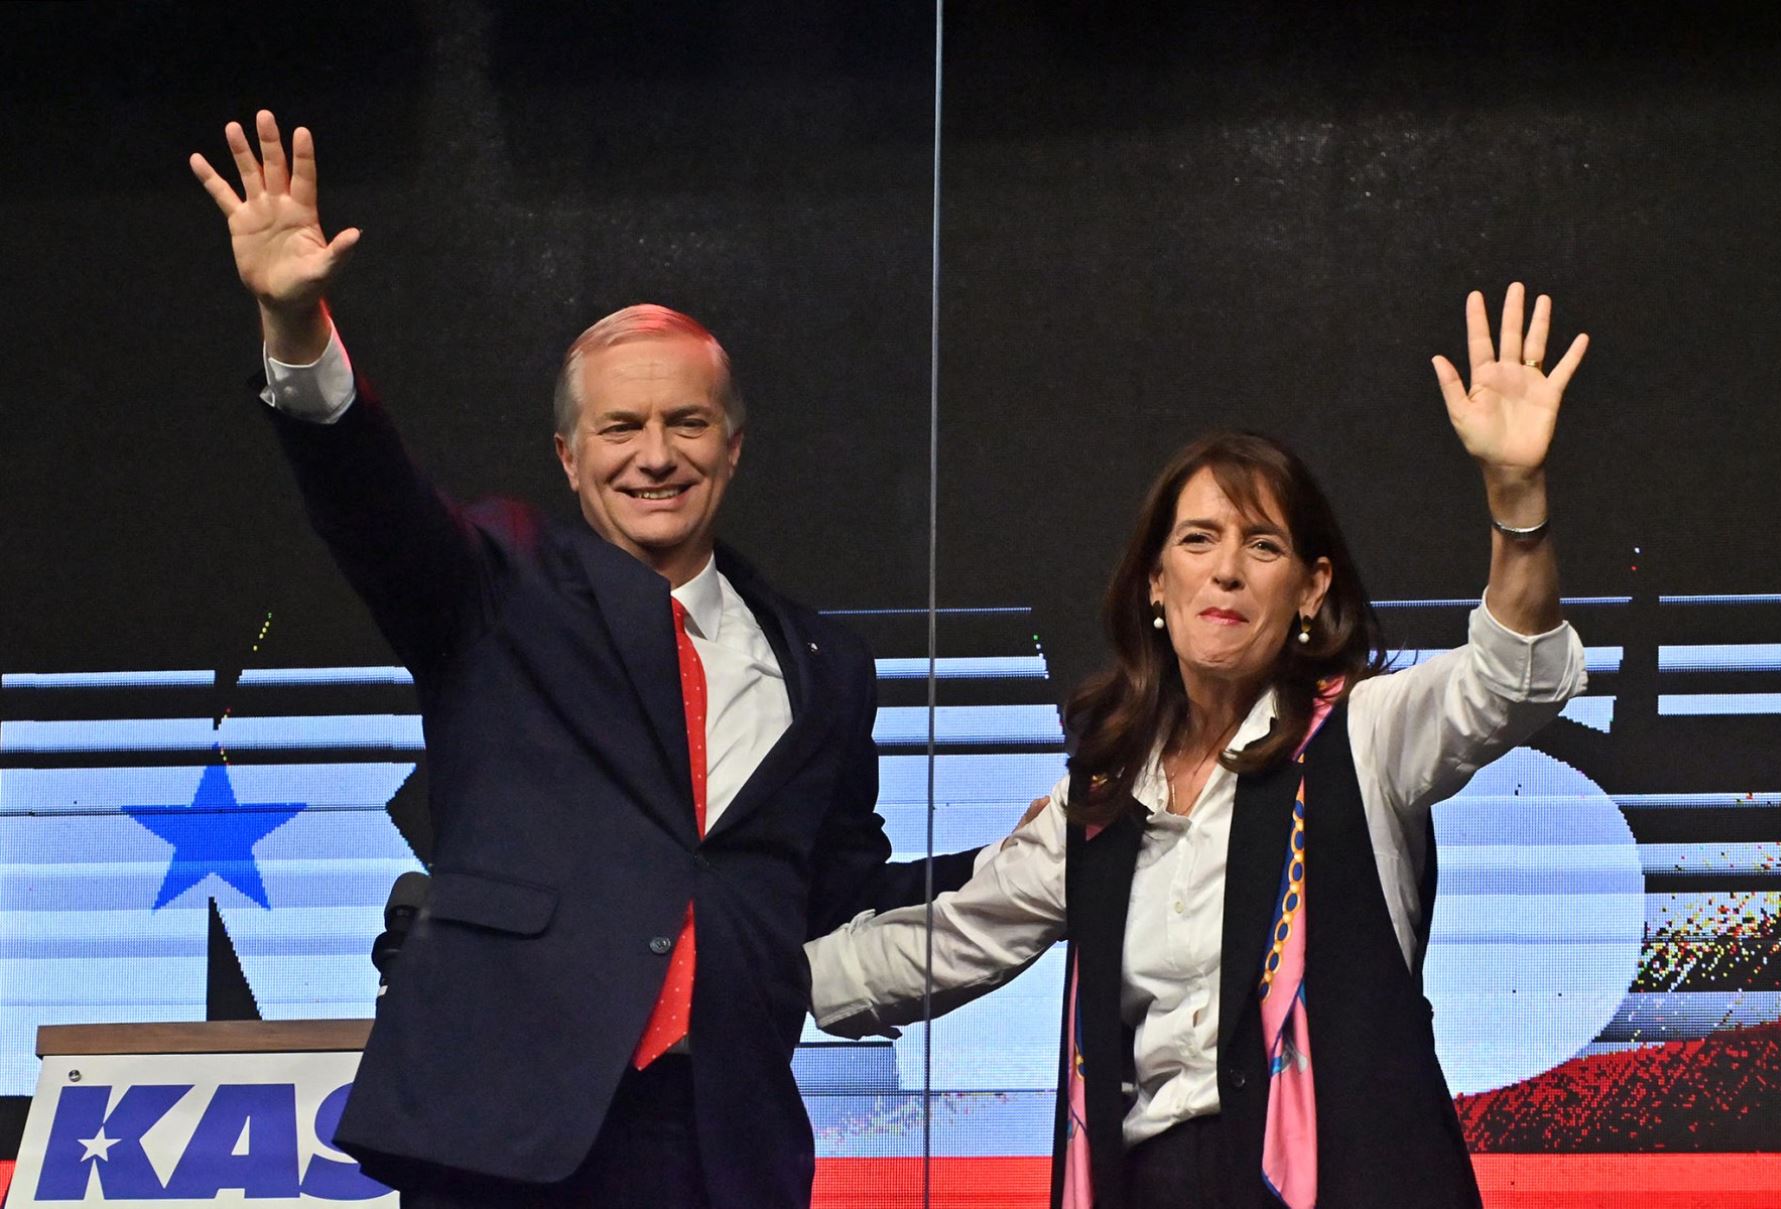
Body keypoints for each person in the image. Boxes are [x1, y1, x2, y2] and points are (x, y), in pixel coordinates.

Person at [189, 110, 978, 1209]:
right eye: (620, 429)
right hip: (510, 1132)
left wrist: (1037, 865)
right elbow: (372, 504)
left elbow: (835, 894)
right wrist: (297, 328)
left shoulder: (825, 665)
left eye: (687, 423)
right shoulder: (498, 587)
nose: (655, 455)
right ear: (568, 456)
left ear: (733, 446)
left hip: (722, 1144)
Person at [806, 283, 1591, 1209]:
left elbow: (1514, 678)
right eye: (1198, 539)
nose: (1225, 568)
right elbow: (946, 943)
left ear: (1310, 587)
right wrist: (735, 978)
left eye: (1262, 544)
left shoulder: (1364, 733)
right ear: (1154, 581)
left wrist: (1515, 495)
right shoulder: (1101, 798)